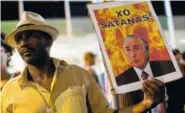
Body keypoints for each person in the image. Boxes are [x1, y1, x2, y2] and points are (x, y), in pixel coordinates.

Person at [1, 11, 165, 113]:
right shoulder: (10, 91)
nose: (23, 43)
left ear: (48, 41)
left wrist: (146, 103)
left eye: (31, 36)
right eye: (19, 39)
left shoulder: (78, 75)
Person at [116, 35, 171, 113]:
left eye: (136, 48)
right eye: (128, 50)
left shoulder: (167, 67)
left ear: (148, 51)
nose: (133, 55)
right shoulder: (120, 79)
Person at [165, 49, 185, 113]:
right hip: (171, 100)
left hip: (179, 100)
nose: (176, 56)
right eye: (174, 54)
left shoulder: (182, 66)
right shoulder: (166, 70)